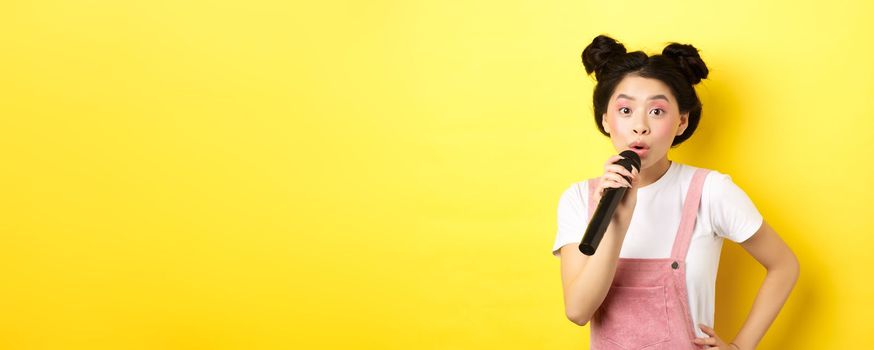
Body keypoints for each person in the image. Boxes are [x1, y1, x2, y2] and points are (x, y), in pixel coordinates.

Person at [551, 35, 800, 350]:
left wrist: (740, 347)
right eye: (625, 110)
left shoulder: (710, 191)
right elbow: (577, 311)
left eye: (656, 111)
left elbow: (784, 265)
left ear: (681, 122)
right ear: (606, 120)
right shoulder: (579, 199)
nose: (640, 126)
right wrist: (617, 224)